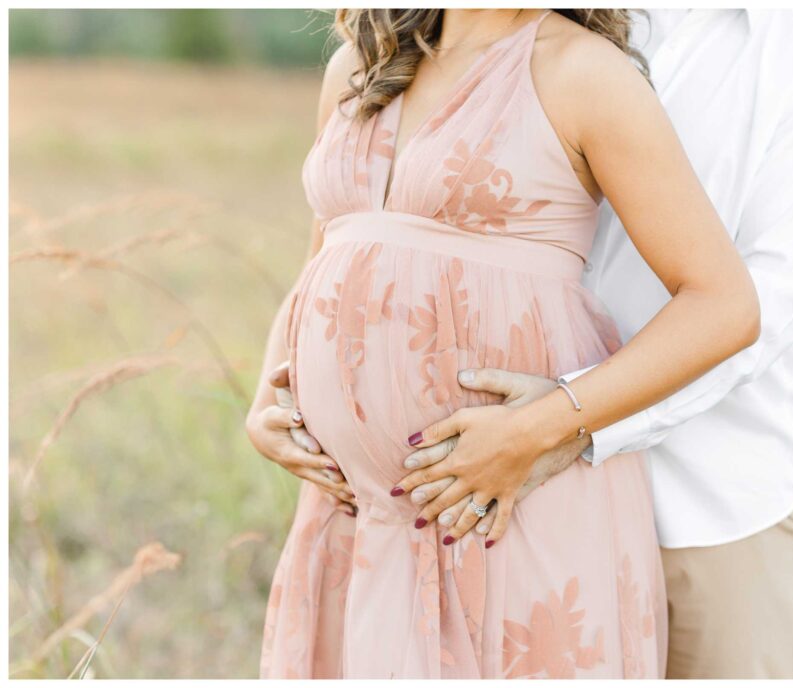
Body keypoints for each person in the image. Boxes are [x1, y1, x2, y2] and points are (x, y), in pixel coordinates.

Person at [246, 8, 760, 679]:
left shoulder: (581, 74)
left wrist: (537, 430)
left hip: (505, 502)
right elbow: (325, 261)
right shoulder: (361, 65)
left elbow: (723, 304)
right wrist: (266, 399)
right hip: (357, 516)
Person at [389, 8, 793, 680]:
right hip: (512, 490)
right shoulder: (534, 18)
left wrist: (567, 422)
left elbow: (766, 304)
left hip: (710, 504)